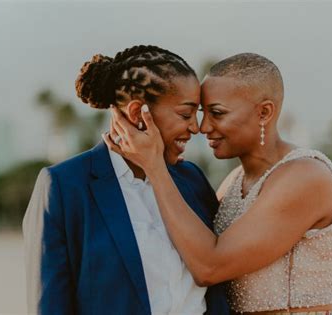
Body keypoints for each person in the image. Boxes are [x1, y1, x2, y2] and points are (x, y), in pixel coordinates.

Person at [105, 53, 332, 314]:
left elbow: (210, 267)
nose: (203, 127)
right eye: (201, 113)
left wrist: (154, 166)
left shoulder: (306, 177)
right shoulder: (231, 184)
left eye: (217, 113)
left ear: (264, 112)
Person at [22, 45, 230, 315]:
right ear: (137, 114)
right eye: (185, 114)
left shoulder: (192, 179)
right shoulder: (64, 187)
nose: (195, 127)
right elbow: (50, 305)